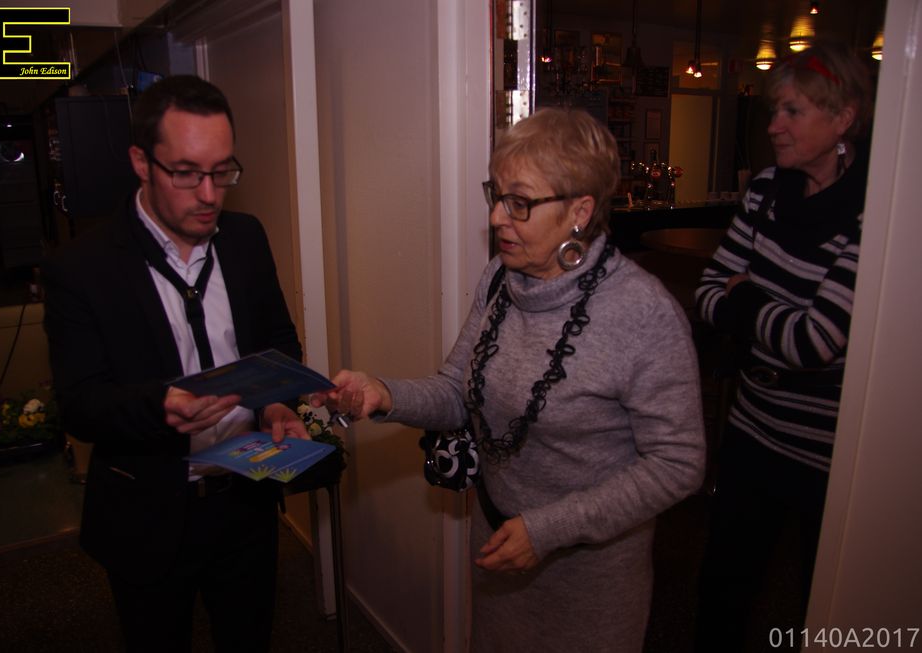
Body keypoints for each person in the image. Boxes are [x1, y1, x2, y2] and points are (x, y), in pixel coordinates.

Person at [316, 108, 706, 651]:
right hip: (498, 551)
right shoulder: (500, 278)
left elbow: (679, 463)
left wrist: (546, 530)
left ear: (579, 211)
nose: (497, 216)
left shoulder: (643, 313)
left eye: (519, 202)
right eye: (496, 195)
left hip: (589, 580)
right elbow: (457, 390)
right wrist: (384, 394)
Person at [43, 75, 307, 652]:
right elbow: (80, 404)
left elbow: (279, 340)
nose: (209, 195)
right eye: (187, 173)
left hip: (246, 501)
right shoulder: (81, 268)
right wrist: (159, 406)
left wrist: (276, 403)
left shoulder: (245, 237)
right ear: (141, 162)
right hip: (148, 512)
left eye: (223, 171)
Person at [694, 42, 875, 651]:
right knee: (722, 590)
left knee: (825, 605)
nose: (773, 125)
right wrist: (758, 308)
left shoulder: (874, 212)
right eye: (775, 111)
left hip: (829, 449)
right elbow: (708, 293)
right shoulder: (767, 190)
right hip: (752, 424)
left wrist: (745, 298)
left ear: (843, 118)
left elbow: (813, 341)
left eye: (792, 111)